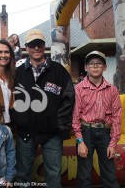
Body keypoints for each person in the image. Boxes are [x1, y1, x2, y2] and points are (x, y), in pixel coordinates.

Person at [9, 29, 75, 187]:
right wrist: (18, 121)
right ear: (26, 47)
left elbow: (69, 99)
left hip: (52, 134)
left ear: (44, 45)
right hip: (25, 134)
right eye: (32, 45)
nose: (36, 48)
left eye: (39, 44)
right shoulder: (17, 73)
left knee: (53, 176)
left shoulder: (59, 71)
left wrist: (58, 124)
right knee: (22, 175)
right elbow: (10, 99)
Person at [72, 51, 122, 188]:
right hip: (85, 132)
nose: (95, 66)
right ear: (86, 67)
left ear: (104, 67)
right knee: (84, 175)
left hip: (105, 133)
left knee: (109, 175)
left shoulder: (112, 90)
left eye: (99, 63)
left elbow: (117, 117)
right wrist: (80, 141)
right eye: (91, 64)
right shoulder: (79, 89)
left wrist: (113, 143)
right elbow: (75, 117)